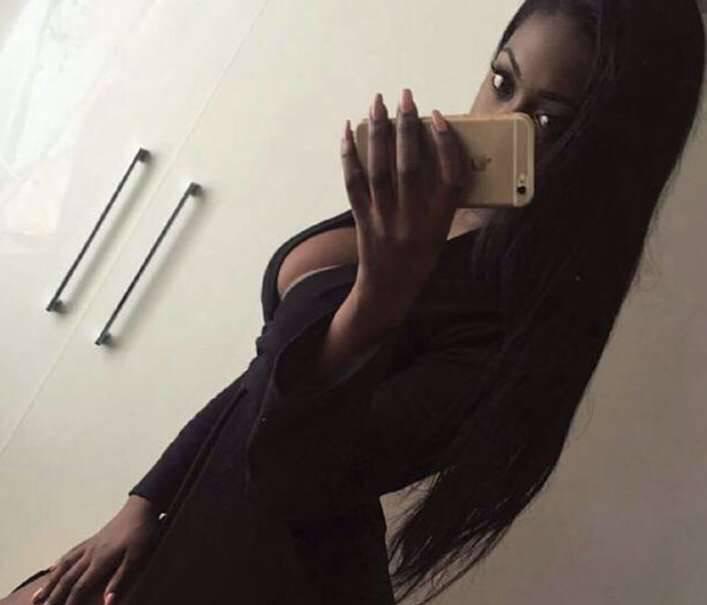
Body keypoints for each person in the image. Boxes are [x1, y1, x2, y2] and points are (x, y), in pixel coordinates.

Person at [4, 0, 704, 604]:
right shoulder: (431, 209)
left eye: (547, 121)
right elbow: (267, 372)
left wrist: (380, 294)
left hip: (264, 577)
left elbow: (291, 473)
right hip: (189, 515)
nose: (501, 120)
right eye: (501, 81)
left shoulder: (513, 332)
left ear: (606, 152)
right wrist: (144, 498)